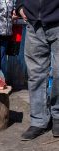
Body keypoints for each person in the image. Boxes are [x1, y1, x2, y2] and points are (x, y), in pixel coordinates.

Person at [16, 0, 59, 140]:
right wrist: (20, 6)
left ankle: (57, 116)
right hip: (33, 24)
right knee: (35, 75)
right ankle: (38, 121)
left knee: (58, 72)